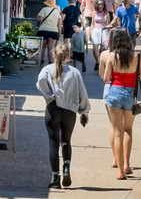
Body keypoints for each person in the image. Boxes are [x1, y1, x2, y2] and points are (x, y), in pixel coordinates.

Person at [37, 44, 91, 189]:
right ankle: (66, 167)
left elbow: (40, 82)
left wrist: (50, 96)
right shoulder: (74, 72)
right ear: (68, 56)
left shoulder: (47, 70)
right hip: (69, 111)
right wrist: (84, 111)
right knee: (66, 140)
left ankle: (55, 177)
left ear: (54, 54)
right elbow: (82, 93)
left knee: (53, 143)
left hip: (52, 109)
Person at [102, 28, 141, 180]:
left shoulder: (112, 57)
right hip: (130, 94)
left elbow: (106, 79)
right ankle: (127, 163)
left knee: (117, 131)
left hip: (114, 93)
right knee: (128, 130)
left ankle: (120, 170)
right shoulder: (137, 56)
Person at [37, 0, 63, 64]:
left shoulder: (44, 9)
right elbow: (59, 24)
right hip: (54, 30)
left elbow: (39, 18)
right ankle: (51, 61)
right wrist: (59, 33)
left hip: (43, 29)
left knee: (43, 46)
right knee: (51, 47)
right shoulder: (56, 12)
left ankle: (42, 60)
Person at [91, 0, 111, 71]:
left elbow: (109, 24)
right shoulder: (94, 13)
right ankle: (97, 62)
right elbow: (92, 24)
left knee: (103, 49)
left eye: (102, 4)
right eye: (99, 4)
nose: (100, 6)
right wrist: (90, 33)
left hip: (104, 29)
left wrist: (106, 20)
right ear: (96, 5)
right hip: (96, 30)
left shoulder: (106, 13)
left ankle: (102, 63)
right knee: (94, 47)